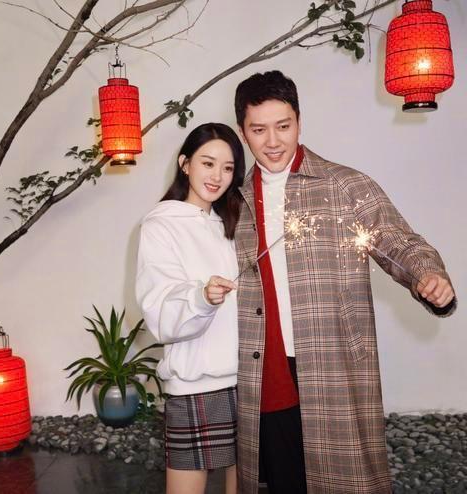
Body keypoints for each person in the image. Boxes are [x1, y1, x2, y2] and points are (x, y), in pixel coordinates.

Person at [232, 70, 456, 494]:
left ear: (300, 121)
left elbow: (399, 242)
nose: (273, 141)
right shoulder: (234, 202)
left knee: (347, 480)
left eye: (283, 126)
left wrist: (428, 275)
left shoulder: (345, 185)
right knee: (283, 482)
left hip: (334, 361)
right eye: (259, 130)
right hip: (266, 369)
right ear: (243, 131)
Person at [136, 122, 245, 494]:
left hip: (248, 378)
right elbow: (159, 312)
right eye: (207, 163)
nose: (217, 176)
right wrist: (202, 297)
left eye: (227, 168)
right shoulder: (160, 225)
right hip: (196, 384)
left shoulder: (233, 224)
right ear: (185, 164)